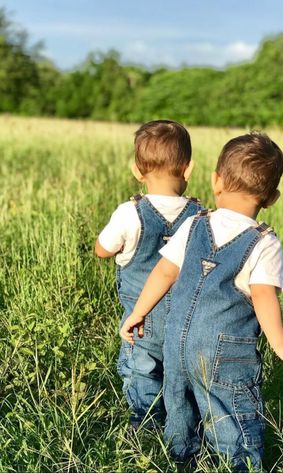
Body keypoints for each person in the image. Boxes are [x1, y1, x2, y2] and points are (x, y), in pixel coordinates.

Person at [120, 132, 283, 470]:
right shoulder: (263, 243)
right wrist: (281, 343)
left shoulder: (193, 224)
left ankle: (182, 457)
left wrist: (138, 312)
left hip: (176, 344)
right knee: (231, 410)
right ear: (272, 198)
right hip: (225, 352)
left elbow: (163, 273)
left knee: (179, 403)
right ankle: (238, 462)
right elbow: (264, 295)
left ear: (216, 181)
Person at [96, 119, 202, 428]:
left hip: (140, 323)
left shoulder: (130, 213)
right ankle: (183, 422)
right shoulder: (200, 216)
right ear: (188, 168)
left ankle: (145, 425)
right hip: (187, 323)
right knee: (182, 373)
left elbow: (103, 249)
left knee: (141, 370)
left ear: (137, 171)